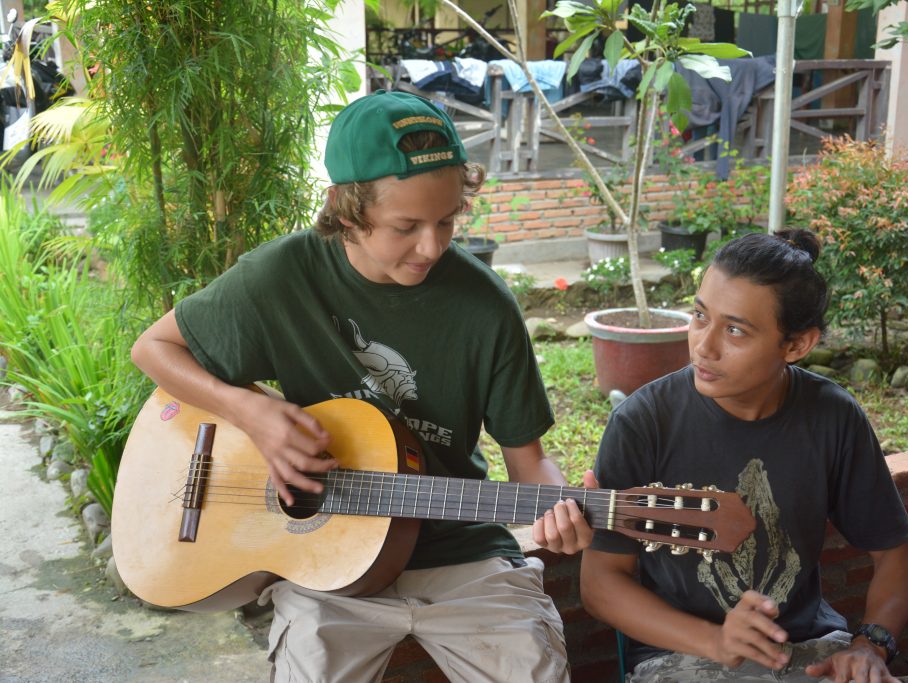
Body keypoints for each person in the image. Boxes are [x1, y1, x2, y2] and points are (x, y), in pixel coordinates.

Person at [131, 89, 594, 683]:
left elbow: (530, 464)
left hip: (462, 554)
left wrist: (562, 509)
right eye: (406, 226)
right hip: (325, 566)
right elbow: (154, 348)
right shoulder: (280, 278)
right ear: (345, 209)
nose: (433, 246)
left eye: (447, 220)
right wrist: (249, 412)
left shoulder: (486, 310)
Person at [580, 229, 908, 682]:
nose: (704, 345)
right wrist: (716, 642)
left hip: (810, 647)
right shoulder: (643, 422)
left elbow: (898, 558)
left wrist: (870, 646)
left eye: (736, 330)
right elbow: (600, 583)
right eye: (700, 316)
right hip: (680, 656)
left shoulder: (831, 416)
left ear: (797, 345)